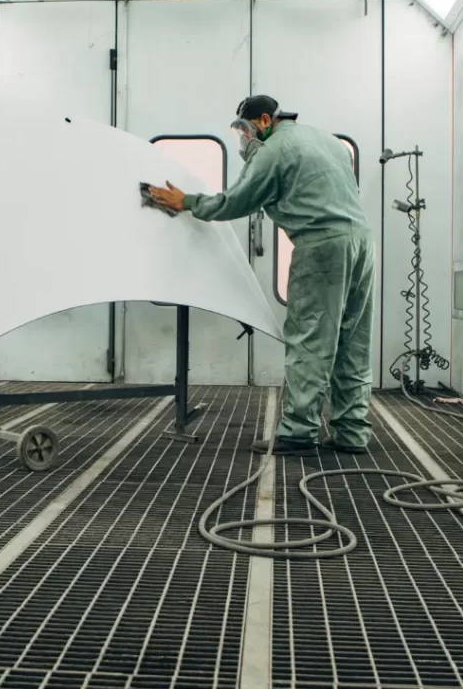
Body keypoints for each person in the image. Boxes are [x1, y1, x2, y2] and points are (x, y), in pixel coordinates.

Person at [149, 95, 375, 456]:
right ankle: (352, 432)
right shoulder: (330, 142)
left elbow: (236, 201)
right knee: (353, 340)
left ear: (266, 121)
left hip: (321, 247)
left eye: (246, 130)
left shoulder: (274, 152)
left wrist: (188, 202)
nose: (244, 139)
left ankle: (299, 433)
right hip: (361, 243)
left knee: (311, 340)